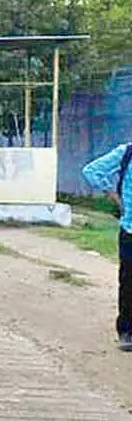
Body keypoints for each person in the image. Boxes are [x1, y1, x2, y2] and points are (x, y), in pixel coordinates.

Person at [82, 141, 132, 350]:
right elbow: (92, 171)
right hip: (131, 229)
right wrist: (114, 197)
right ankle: (127, 331)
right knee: (129, 281)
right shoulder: (127, 152)